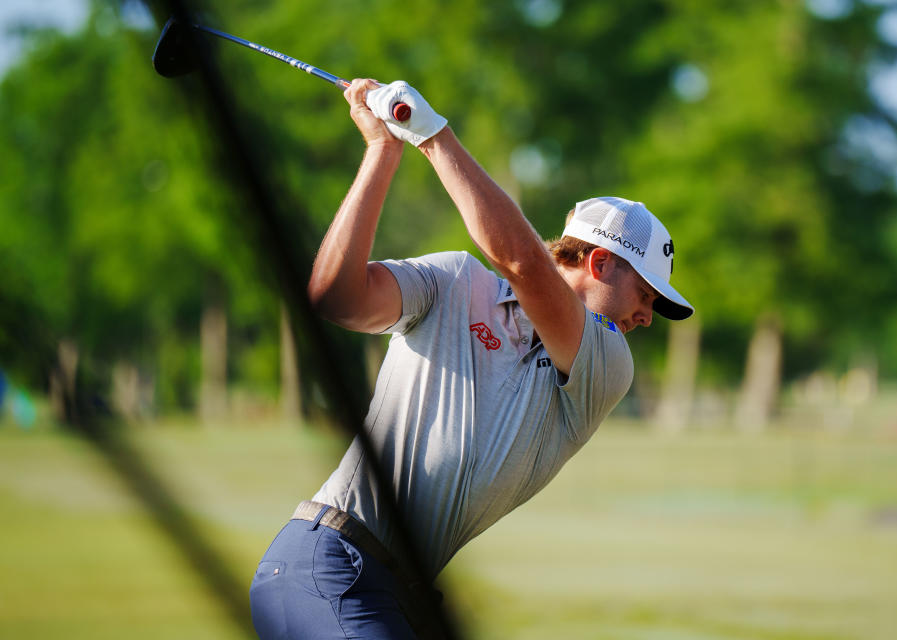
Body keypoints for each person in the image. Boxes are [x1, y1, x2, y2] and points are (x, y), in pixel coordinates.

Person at [249, 79, 694, 640]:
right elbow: (334, 296)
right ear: (601, 264)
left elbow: (524, 265)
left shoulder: (608, 364)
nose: (647, 316)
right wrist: (387, 149)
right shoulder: (454, 281)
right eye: (645, 296)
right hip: (328, 562)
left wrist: (432, 137)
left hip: (390, 591)